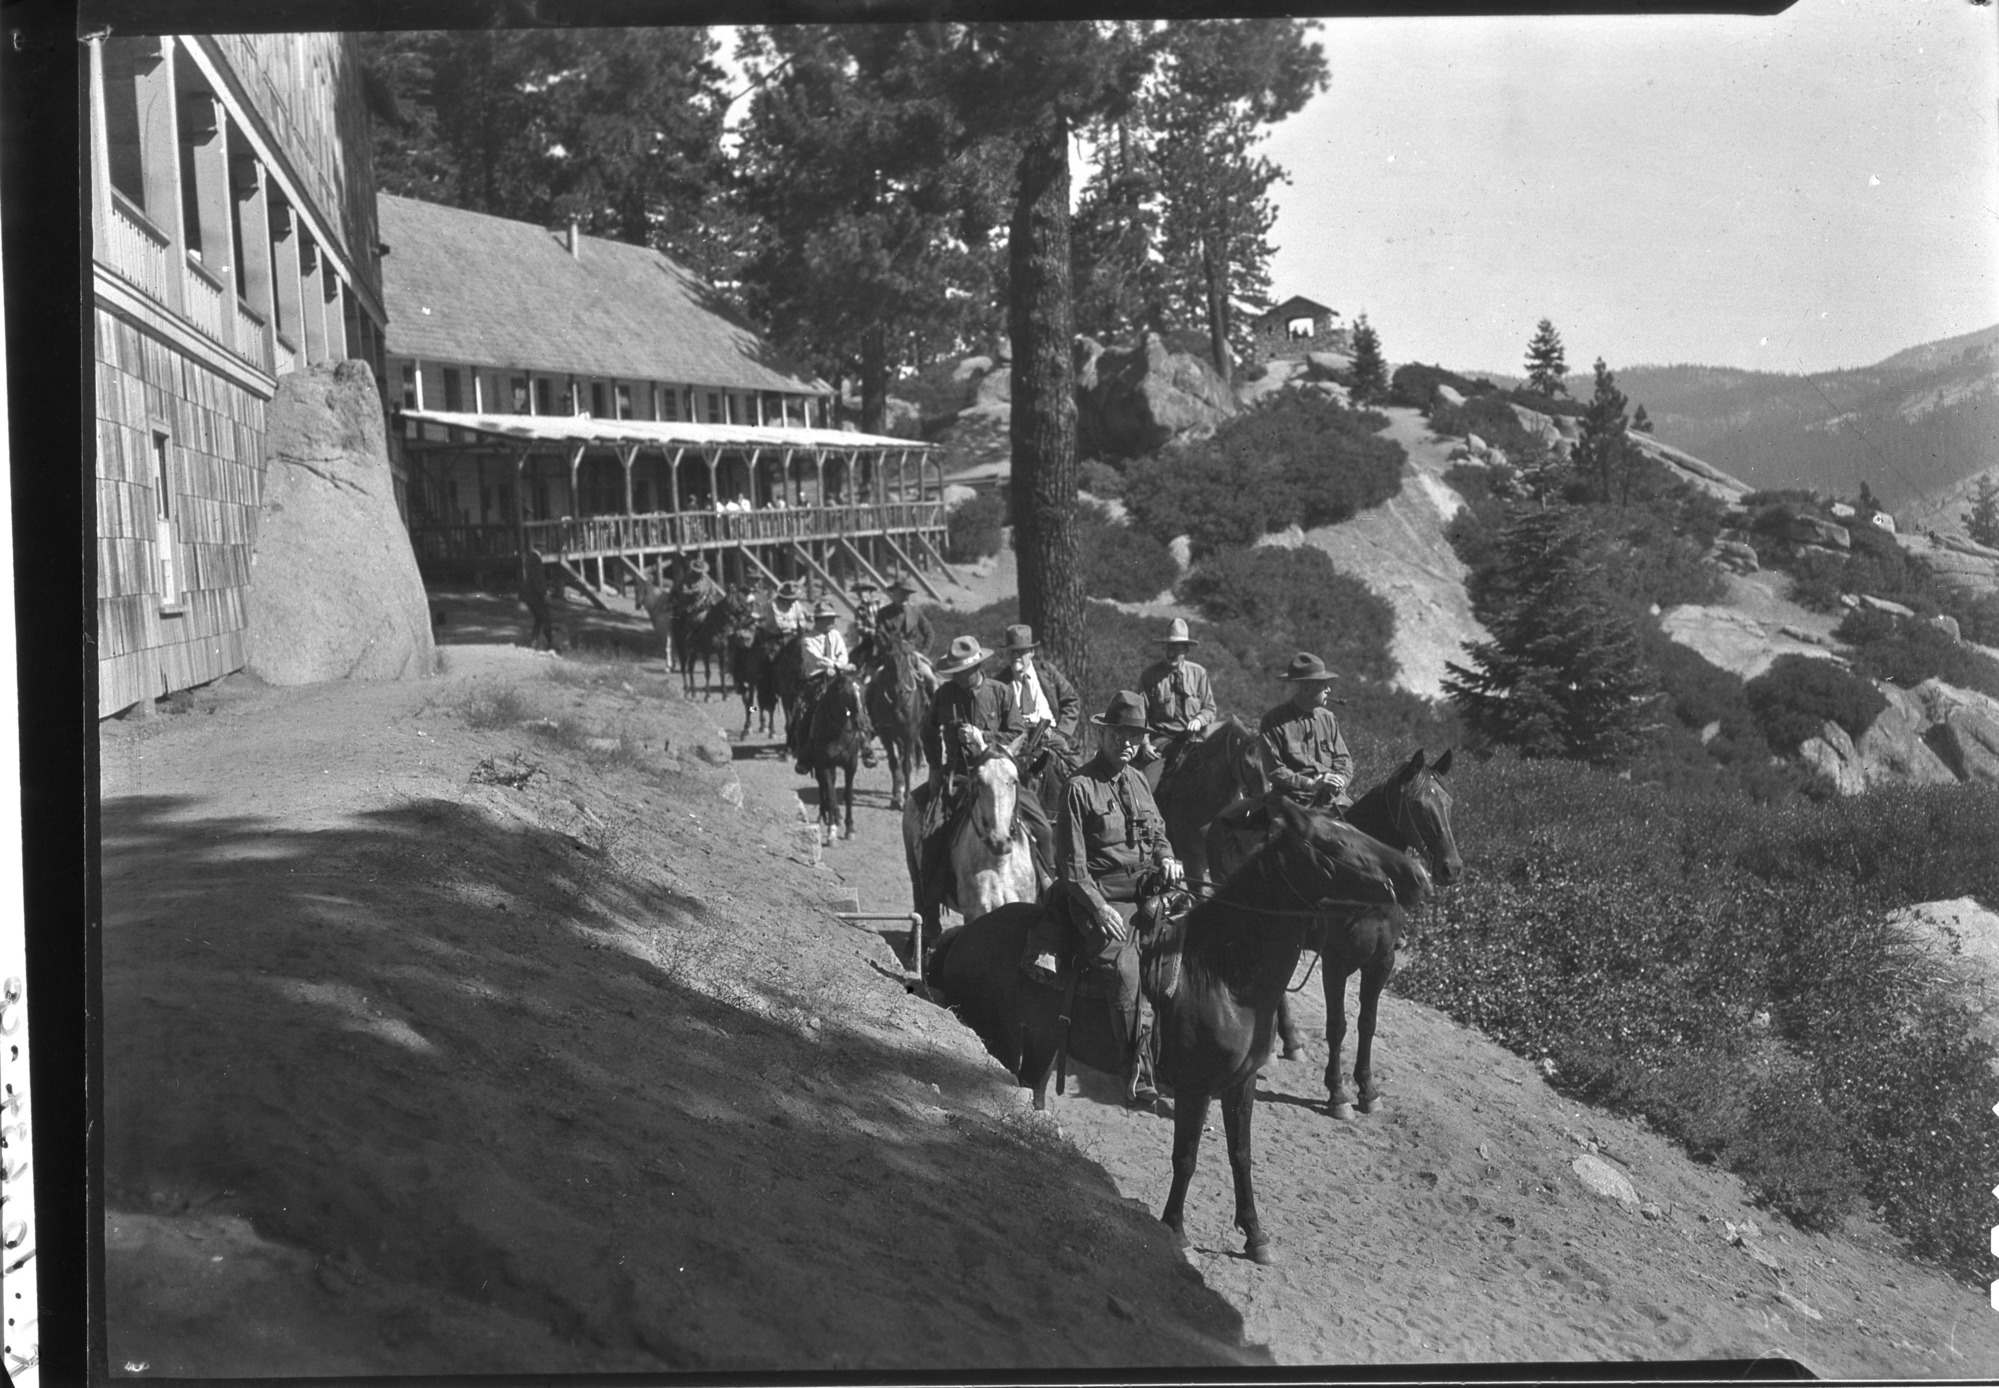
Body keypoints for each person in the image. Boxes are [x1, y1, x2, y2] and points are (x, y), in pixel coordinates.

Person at [1037, 690, 1185, 1109]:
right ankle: (1137, 1077)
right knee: (1126, 969)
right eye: (1119, 733)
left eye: (1135, 735)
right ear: (1102, 733)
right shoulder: (1078, 786)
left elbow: (1157, 833)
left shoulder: (1138, 780)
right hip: (1101, 897)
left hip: (1148, 890)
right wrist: (1098, 908)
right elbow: (1072, 866)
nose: (1127, 743)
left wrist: (1168, 857)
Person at [912, 634, 1056, 905]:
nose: (958, 677)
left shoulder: (999, 692)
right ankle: (930, 915)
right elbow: (927, 730)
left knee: (1043, 828)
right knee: (932, 835)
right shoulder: (945, 694)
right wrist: (934, 767)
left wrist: (983, 737)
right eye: (955, 672)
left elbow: (1017, 733)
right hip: (959, 777)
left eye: (963, 671)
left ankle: (1049, 887)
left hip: (1000, 776)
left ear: (977, 667)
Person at [992, 623, 1083, 793]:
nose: (1016, 656)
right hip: (1018, 738)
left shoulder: (1048, 672)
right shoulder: (1000, 682)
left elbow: (1072, 700)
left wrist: (1062, 731)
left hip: (1050, 733)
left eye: (1021, 651)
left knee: (1077, 771)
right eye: (1012, 652)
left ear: (1032, 652)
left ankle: (1083, 799)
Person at [1259, 652, 1354, 812]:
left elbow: (1343, 760)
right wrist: (1312, 784)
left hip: (1333, 801)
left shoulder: (1328, 719)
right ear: (1306, 687)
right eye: (1323, 684)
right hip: (1292, 803)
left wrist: (1339, 780)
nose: (1329, 689)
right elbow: (1275, 770)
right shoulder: (1273, 721)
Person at [1135, 617, 1217, 791]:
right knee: (1146, 787)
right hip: (1163, 741)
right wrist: (1145, 744)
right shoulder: (1150, 676)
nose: (1171, 654)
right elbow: (1139, 715)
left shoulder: (1199, 673)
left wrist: (1200, 719)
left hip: (1195, 740)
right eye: (1168, 649)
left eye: (1177, 650)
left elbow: (1210, 708)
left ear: (1186, 650)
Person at [791, 599, 868, 772]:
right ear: (818, 620)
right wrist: (837, 665)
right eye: (828, 618)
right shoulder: (808, 639)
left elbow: (843, 655)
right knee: (804, 709)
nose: (832, 622)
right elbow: (817, 659)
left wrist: (840, 666)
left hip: (838, 675)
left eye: (832, 618)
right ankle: (803, 753)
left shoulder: (835, 635)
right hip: (816, 679)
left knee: (856, 698)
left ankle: (865, 742)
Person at [519, 548, 561, 654]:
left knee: (538, 618)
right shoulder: (537, 561)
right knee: (546, 618)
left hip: (528, 596)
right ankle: (550, 643)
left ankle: (534, 641)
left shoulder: (528, 560)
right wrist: (544, 594)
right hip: (536, 596)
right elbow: (539, 580)